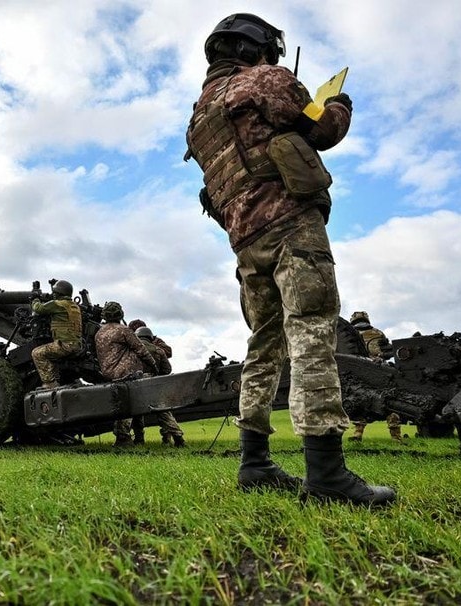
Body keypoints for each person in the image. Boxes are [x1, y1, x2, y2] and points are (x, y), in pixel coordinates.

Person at [184, 13, 395, 505]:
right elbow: (322, 130)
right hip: (289, 227)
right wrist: (338, 104)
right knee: (313, 334)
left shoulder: (199, 118)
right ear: (257, 47)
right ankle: (327, 476)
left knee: (264, 347)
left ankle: (254, 463)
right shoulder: (265, 80)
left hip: (244, 243)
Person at [94, 301, 157, 447]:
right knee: (131, 406)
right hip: (127, 372)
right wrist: (153, 364)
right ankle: (124, 438)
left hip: (109, 373)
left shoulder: (99, 333)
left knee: (121, 404)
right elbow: (140, 349)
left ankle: (134, 438)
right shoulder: (124, 330)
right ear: (120, 314)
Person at [347, 311, 401, 442]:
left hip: (359, 373)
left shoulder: (348, 334)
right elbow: (388, 351)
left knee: (359, 402)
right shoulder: (378, 333)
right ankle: (396, 437)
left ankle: (357, 434)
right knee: (389, 403)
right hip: (379, 371)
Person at [133, 326, 186, 447]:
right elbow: (167, 370)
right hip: (153, 383)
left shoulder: (131, 350)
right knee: (163, 412)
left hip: (135, 383)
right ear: (150, 337)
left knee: (135, 413)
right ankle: (178, 438)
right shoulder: (159, 350)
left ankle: (139, 439)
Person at [30, 280, 83, 390]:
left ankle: (50, 384)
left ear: (57, 293)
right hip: (77, 345)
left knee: (37, 353)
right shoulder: (75, 306)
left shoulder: (57, 304)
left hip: (64, 345)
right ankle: (57, 380)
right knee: (52, 356)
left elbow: (38, 308)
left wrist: (35, 298)